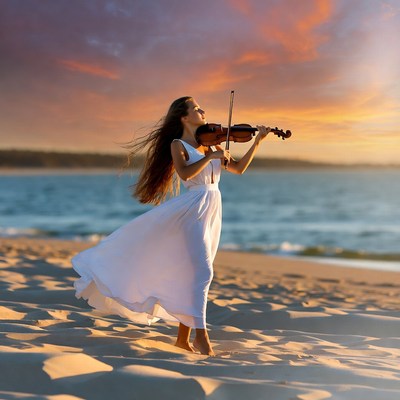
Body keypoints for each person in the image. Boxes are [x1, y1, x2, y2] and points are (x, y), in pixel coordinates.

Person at [71, 96, 270, 356]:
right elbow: (186, 174)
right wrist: (215, 155)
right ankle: (202, 337)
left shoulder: (209, 146)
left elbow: (240, 168)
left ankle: (182, 339)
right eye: (197, 108)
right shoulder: (179, 145)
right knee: (203, 272)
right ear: (184, 117)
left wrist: (257, 141)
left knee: (192, 274)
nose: (203, 111)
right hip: (193, 208)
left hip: (211, 208)